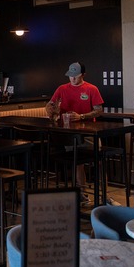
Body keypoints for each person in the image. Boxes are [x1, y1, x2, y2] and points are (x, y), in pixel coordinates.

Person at [45, 62, 105, 204]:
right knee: (78, 163)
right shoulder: (62, 88)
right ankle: (82, 195)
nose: (72, 78)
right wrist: (53, 113)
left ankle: (105, 195)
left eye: (75, 76)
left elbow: (99, 110)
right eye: (70, 75)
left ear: (83, 75)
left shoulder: (92, 89)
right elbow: (50, 104)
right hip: (70, 133)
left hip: (90, 131)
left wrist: (82, 116)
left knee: (100, 161)